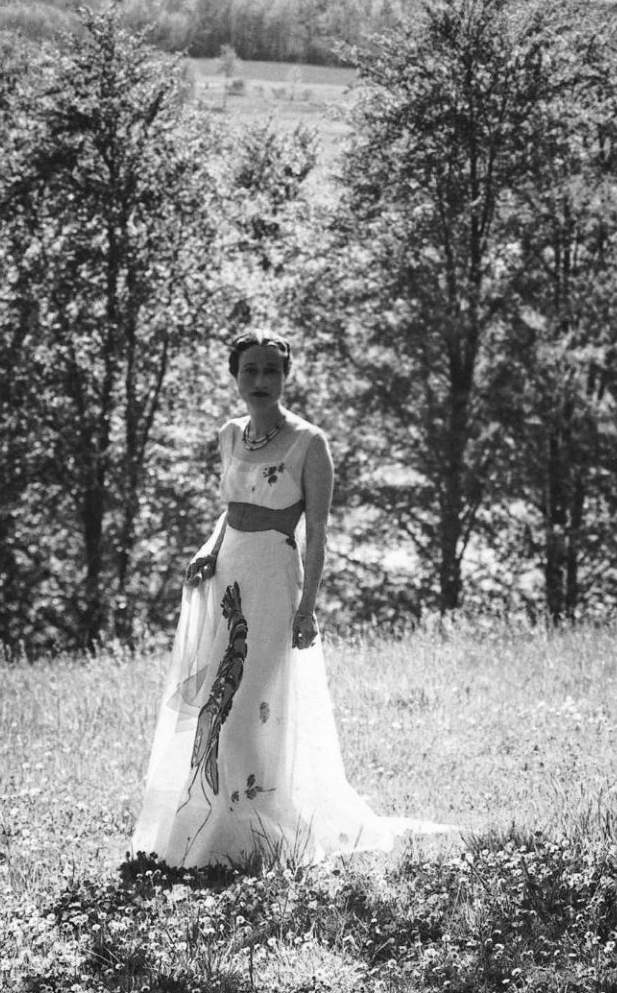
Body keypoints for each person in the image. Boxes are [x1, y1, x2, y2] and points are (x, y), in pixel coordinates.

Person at [130, 329, 398, 867]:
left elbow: (317, 535)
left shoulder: (309, 443)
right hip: (227, 577)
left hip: (275, 580)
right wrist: (209, 551)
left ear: (285, 376)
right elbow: (231, 511)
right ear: (235, 376)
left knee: (249, 705)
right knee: (214, 703)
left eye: (270, 370)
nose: (259, 380)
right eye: (249, 370)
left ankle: (259, 829)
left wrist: (308, 608)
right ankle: (212, 826)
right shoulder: (230, 434)